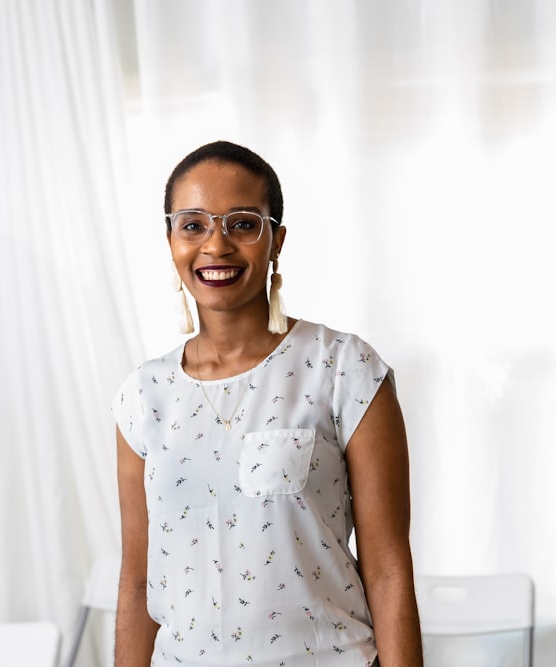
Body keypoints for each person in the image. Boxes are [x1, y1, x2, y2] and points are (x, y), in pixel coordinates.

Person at [112, 140, 423, 666]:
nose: (216, 245)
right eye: (193, 225)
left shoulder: (344, 369)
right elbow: (138, 580)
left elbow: (388, 569)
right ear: (170, 240)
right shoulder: (144, 396)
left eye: (242, 223)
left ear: (275, 239)